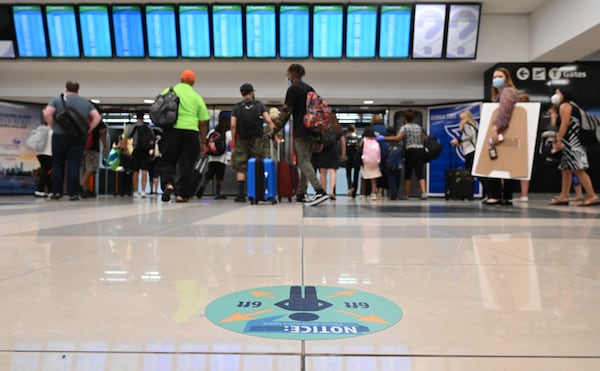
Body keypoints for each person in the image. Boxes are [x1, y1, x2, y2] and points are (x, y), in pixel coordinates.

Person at [271, 63, 330, 206]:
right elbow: (318, 114)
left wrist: (274, 131)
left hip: (301, 131)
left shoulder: (293, 89)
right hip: (313, 131)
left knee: (303, 161)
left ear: (291, 74)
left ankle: (319, 191)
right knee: (305, 162)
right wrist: (320, 138)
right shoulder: (310, 89)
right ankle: (301, 193)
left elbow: (285, 113)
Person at [42, 80, 101, 201]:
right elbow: (97, 117)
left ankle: (56, 192)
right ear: (78, 90)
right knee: (74, 164)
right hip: (79, 136)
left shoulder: (57, 100)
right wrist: (88, 129)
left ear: (65, 89)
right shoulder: (86, 102)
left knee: (58, 164)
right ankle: (73, 193)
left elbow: (47, 114)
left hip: (60, 135)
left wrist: (54, 126)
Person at [158, 70, 210, 203]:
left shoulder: (169, 91)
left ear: (180, 79)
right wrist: (203, 143)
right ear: (193, 82)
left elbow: (159, 108)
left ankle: (168, 183)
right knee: (186, 164)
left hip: (172, 130)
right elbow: (203, 123)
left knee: (167, 160)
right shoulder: (197, 97)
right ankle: (181, 194)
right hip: (191, 132)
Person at [548, 86, 599, 206]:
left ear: (563, 93)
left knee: (578, 169)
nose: (555, 94)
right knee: (565, 170)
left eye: (557, 92)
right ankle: (564, 196)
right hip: (570, 143)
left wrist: (558, 139)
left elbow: (565, 124)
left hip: (571, 143)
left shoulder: (565, 105)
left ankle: (592, 196)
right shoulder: (572, 105)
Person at [230, 83, 276, 203]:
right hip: (257, 140)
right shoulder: (259, 105)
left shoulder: (237, 107)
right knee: (257, 164)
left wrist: (234, 140)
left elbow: (233, 125)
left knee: (241, 167)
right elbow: (268, 120)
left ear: (242, 93)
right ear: (251, 93)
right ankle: (257, 192)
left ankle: (240, 194)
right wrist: (275, 134)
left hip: (241, 140)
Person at [482, 67, 520, 206]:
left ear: (507, 78)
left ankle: (495, 195)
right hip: (508, 133)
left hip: (502, 132)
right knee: (506, 164)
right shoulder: (502, 94)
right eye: (494, 77)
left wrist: (495, 128)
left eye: (499, 76)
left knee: (494, 162)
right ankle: (506, 196)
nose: (496, 79)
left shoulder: (507, 92)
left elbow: (504, 111)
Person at [383, 109, 427, 200]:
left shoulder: (404, 127)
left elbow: (397, 138)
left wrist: (384, 138)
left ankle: (406, 194)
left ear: (405, 118)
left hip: (410, 150)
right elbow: (424, 137)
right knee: (420, 172)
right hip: (420, 150)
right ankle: (423, 192)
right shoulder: (418, 127)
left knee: (408, 172)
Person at [197, 113, 232, 200]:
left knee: (209, 174)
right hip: (222, 158)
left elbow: (207, 142)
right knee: (219, 176)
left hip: (211, 158)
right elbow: (231, 143)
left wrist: (205, 153)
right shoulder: (228, 133)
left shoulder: (212, 131)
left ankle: (202, 187)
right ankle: (217, 193)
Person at [313, 111, 345, 200]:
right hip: (334, 151)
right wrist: (343, 153)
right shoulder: (338, 127)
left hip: (323, 150)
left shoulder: (323, 126)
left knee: (323, 173)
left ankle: (323, 192)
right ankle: (331, 191)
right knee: (333, 172)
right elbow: (343, 142)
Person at [125, 112, 155, 198]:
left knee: (135, 171)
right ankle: (143, 191)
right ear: (143, 117)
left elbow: (127, 135)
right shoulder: (148, 127)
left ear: (136, 117)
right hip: (145, 152)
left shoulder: (133, 126)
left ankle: (135, 191)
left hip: (136, 150)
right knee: (144, 171)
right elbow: (152, 137)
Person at [79, 112, 108, 198]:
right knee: (91, 168)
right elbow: (102, 133)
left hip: (82, 147)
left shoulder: (83, 119)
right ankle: (80, 186)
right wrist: (105, 146)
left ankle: (87, 189)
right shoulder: (98, 120)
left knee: (85, 169)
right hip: (93, 148)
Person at [360, 127, 382, 201]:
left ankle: (363, 194)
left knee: (364, 178)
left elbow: (360, 149)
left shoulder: (364, 140)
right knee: (373, 179)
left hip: (366, 161)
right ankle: (373, 194)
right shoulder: (376, 141)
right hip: (375, 162)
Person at [370, 113, 388, 198]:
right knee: (383, 172)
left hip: (373, 153)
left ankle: (374, 190)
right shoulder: (385, 129)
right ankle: (381, 191)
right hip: (384, 152)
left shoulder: (371, 129)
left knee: (373, 172)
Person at [34, 123, 53, 198]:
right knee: (46, 171)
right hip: (48, 153)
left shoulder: (39, 128)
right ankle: (39, 190)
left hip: (39, 153)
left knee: (46, 171)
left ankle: (51, 191)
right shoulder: (52, 130)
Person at [344, 124, 361, 198]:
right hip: (357, 158)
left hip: (348, 158)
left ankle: (350, 187)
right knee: (356, 174)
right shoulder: (358, 138)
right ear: (355, 130)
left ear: (348, 130)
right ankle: (354, 191)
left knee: (348, 174)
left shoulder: (345, 138)